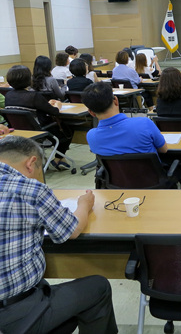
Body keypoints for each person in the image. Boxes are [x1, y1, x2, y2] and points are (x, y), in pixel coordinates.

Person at [0, 136, 118, 334]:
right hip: (14, 313)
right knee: (98, 287)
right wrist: (84, 205)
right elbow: (72, 230)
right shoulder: (30, 189)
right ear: (31, 164)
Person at [5, 65, 73, 170]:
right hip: (38, 131)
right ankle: (57, 158)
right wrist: (58, 105)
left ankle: (61, 160)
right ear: (28, 79)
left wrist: (46, 104)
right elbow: (54, 112)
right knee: (67, 130)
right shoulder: (33, 96)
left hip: (19, 131)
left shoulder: (8, 95)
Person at [82, 81, 168, 156]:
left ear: (91, 112)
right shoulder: (144, 123)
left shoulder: (91, 136)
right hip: (150, 174)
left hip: (117, 175)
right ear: (116, 100)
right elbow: (164, 150)